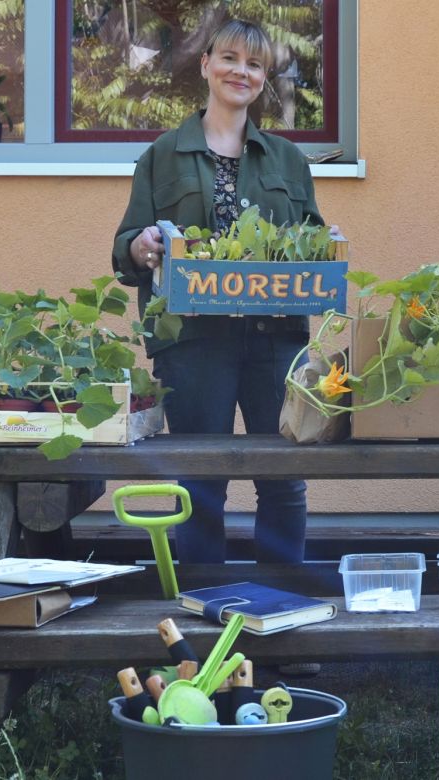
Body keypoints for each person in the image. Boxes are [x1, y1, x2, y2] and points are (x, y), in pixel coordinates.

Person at [112, 20, 322, 565]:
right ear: (205, 64)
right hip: (193, 341)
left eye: (254, 65)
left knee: (282, 478)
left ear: (264, 80)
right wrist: (142, 246)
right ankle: (203, 608)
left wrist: (326, 246)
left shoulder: (288, 160)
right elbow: (126, 244)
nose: (241, 72)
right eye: (230, 58)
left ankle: (283, 608)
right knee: (200, 481)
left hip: (275, 338)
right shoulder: (162, 154)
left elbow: (313, 239)